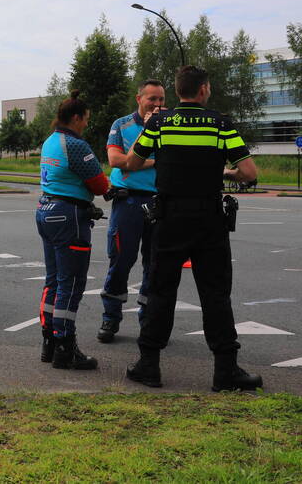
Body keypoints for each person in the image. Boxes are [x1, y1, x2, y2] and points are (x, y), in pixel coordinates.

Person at [125, 65, 262, 391]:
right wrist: (224, 174)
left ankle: (149, 365)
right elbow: (249, 172)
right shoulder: (220, 123)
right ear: (203, 90)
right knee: (216, 294)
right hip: (209, 220)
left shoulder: (159, 122)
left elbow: (131, 163)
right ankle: (225, 370)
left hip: (169, 218)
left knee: (160, 290)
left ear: (178, 91)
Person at [36, 90, 110, 370]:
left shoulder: (50, 141)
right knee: (72, 282)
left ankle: (49, 343)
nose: (87, 124)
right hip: (69, 217)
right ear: (76, 117)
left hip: (46, 210)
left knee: (53, 280)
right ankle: (66, 346)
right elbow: (101, 186)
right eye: (86, 119)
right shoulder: (76, 145)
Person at [97, 79, 165, 343]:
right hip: (128, 203)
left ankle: (148, 321)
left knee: (155, 265)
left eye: (161, 99)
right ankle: (110, 318)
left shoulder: (169, 125)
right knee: (121, 261)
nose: (158, 104)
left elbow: (132, 163)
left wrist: (135, 163)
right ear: (139, 99)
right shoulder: (121, 125)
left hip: (159, 203)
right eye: (152, 99)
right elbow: (117, 161)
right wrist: (152, 157)